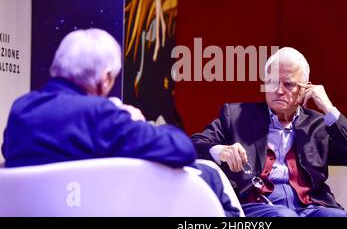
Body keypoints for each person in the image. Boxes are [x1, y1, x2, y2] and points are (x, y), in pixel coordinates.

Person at [1, 28, 240, 216]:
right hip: (98, 209)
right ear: (105, 78)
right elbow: (182, 149)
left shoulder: (21, 109)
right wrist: (136, 120)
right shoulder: (100, 113)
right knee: (208, 178)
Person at [191, 47, 347, 217]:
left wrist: (329, 108)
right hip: (259, 206)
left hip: (311, 207)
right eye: (272, 82)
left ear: (305, 88)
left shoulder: (319, 124)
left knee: (335, 215)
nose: (278, 91)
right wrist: (220, 150)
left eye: (289, 84)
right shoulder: (237, 116)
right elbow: (195, 144)